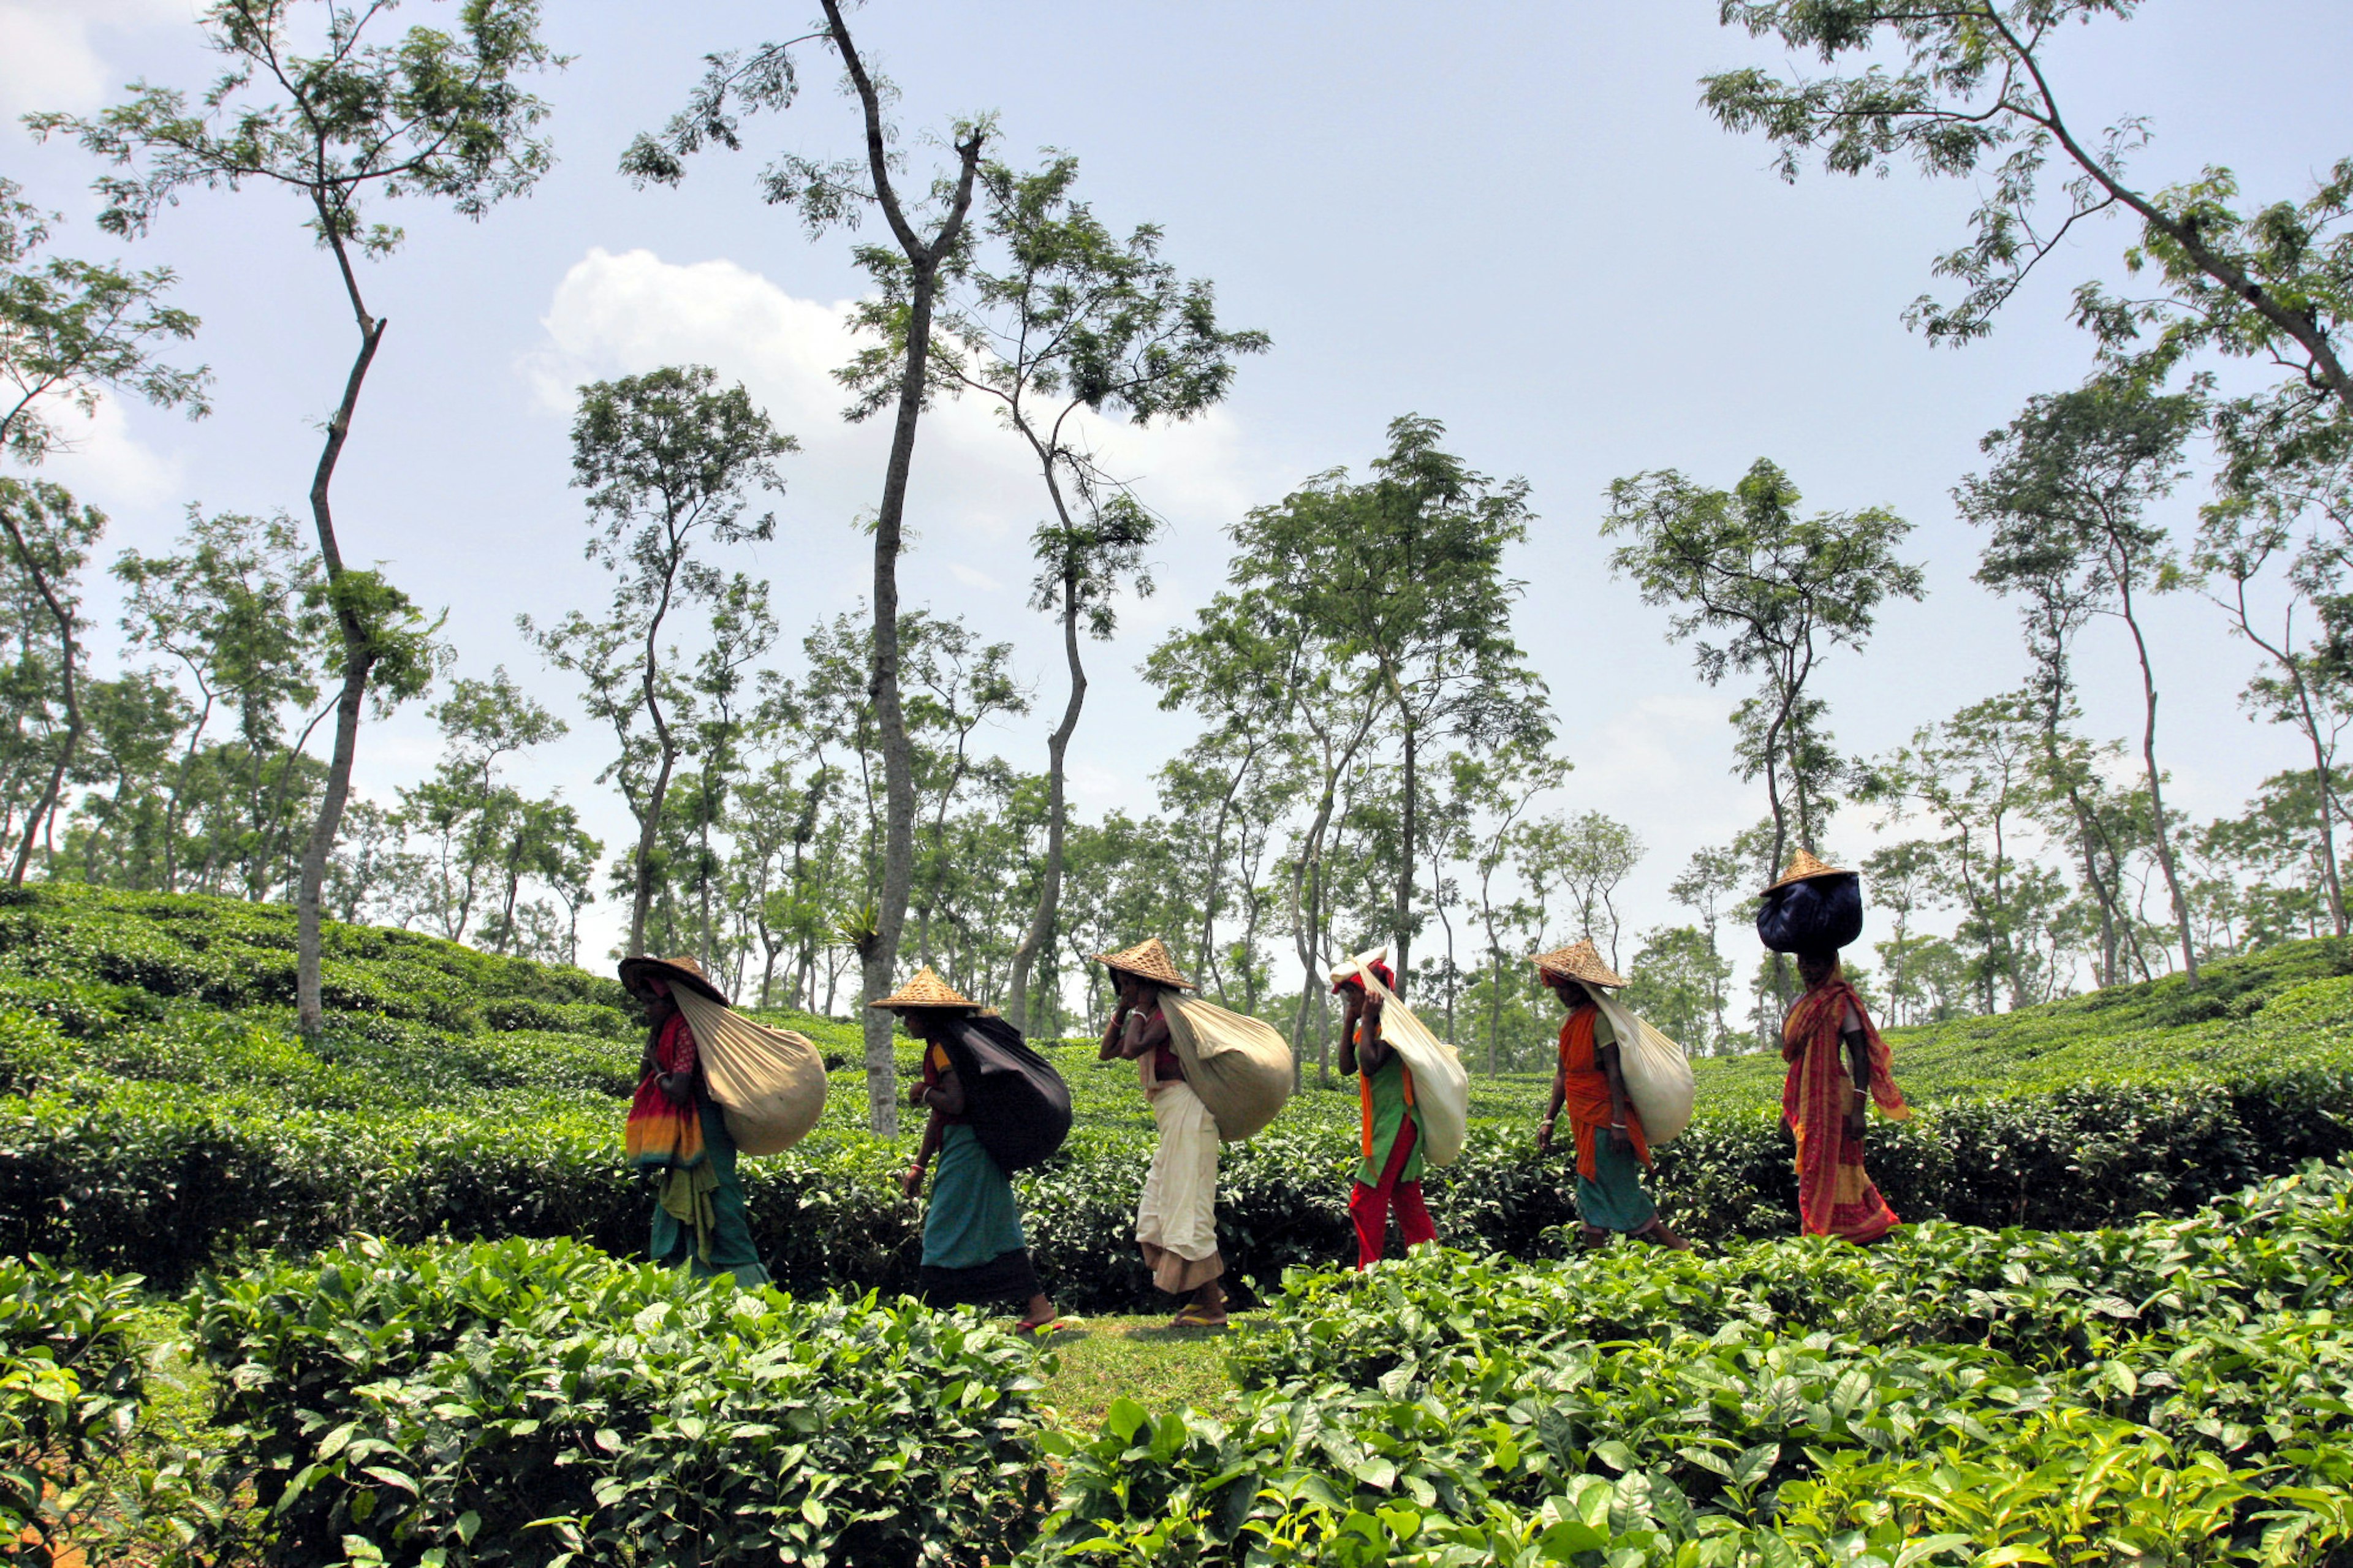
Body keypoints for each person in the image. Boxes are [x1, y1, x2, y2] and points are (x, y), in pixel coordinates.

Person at [882, 966, 1059, 1333]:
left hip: (968, 1148)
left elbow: (955, 1102)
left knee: (942, 1227)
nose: (906, 1023)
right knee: (999, 1230)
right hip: (972, 1145)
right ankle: (1038, 1308)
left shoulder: (944, 1048)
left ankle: (927, 1315)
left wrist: (923, 1092)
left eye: (910, 1015)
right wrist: (919, 1166)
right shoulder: (947, 1044)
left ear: (928, 1015)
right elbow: (942, 1112)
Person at [1094, 937, 1227, 1328]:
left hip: (1188, 1111)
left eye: (1130, 983)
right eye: (1121, 984)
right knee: (1162, 1207)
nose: (1125, 990)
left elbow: (1132, 1050)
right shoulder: (1147, 1013)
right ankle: (1207, 1298)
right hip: (1172, 1118)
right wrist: (1125, 1007)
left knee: (1187, 1208)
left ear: (1149, 984)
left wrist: (1138, 1008)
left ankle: (1213, 1309)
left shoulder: (1169, 1014)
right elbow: (1108, 1052)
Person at [621, 954, 770, 1289]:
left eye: (650, 1002)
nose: (647, 1010)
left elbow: (677, 1089)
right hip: (686, 1132)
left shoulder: (688, 1032)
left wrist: (660, 1071)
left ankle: (742, 1285)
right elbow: (642, 1081)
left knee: (720, 1200)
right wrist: (653, 1053)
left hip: (705, 1129)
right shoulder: (666, 1032)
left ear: (671, 1000)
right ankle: (688, 1282)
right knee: (682, 1199)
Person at [1533, 940, 1688, 1251]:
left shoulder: (1600, 1020)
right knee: (1592, 1180)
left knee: (1610, 1184)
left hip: (1605, 1116)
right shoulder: (1567, 1024)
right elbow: (1563, 1075)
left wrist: (1619, 1123)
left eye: (1564, 988)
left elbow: (1615, 1074)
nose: (1560, 994)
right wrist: (1549, 1119)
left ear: (1581, 988)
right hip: (1583, 1117)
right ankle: (1601, 1255)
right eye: (1557, 989)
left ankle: (1670, 1244)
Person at [1783, 945, 1911, 1244]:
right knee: (1810, 1167)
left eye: (1815, 962)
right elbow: (1796, 1060)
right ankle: (1819, 1235)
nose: (1807, 968)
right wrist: (1787, 1112)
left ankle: (1859, 1230)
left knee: (1842, 1167)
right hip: (1805, 1099)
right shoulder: (1800, 1003)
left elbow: (1860, 1056)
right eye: (1803, 961)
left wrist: (1858, 1107)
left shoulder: (1841, 1001)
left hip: (1835, 1099)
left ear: (1830, 965)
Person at [1336, 958, 1437, 1269]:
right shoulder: (1371, 1025)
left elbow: (1370, 1063)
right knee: (1407, 1199)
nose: (1349, 1001)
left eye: (1352, 995)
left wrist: (1365, 1019)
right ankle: (1429, 1268)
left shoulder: (1395, 1024)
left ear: (1369, 993)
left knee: (1364, 1201)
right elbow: (1346, 1067)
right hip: (1390, 1122)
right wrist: (1351, 1021)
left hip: (1397, 1122)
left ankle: (1369, 1273)